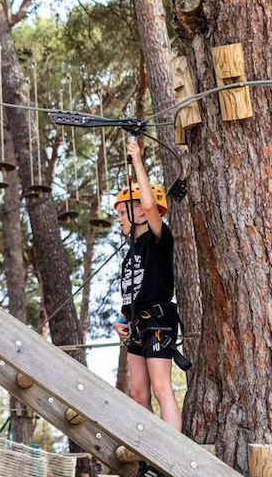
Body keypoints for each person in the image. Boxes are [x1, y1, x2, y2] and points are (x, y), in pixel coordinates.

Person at [112, 140, 182, 476]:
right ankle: (149, 458)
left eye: (122, 213)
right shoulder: (131, 253)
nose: (119, 220)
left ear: (140, 211)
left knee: (160, 387)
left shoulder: (158, 238)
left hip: (157, 322)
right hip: (137, 326)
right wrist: (121, 319)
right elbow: (132, 292)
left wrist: (137, 161)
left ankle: (170, 458)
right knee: (139, 393)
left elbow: (151, 204)